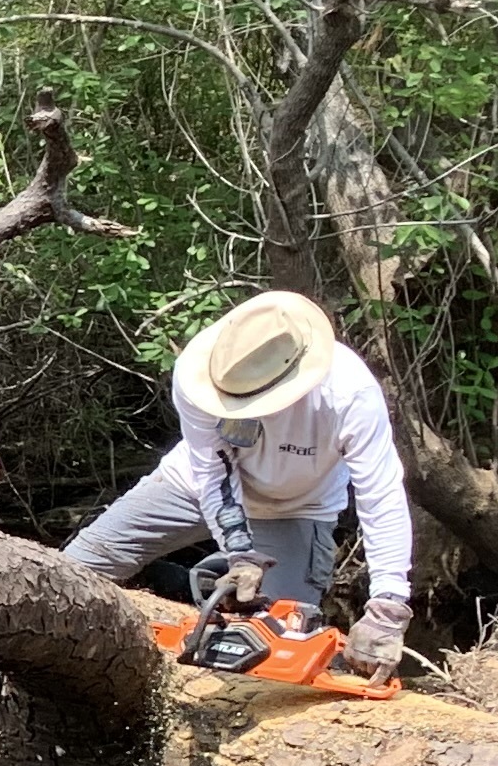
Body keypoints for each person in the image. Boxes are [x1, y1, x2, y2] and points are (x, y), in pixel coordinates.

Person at [62, 289, 413, 678]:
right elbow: (214, 471)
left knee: (280, 654)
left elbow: (381, 496)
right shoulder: (198, 376)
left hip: (295, 507)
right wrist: (240, 554)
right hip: (191, 486)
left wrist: (387, 606)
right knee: (71, 573)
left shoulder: (349, 395)